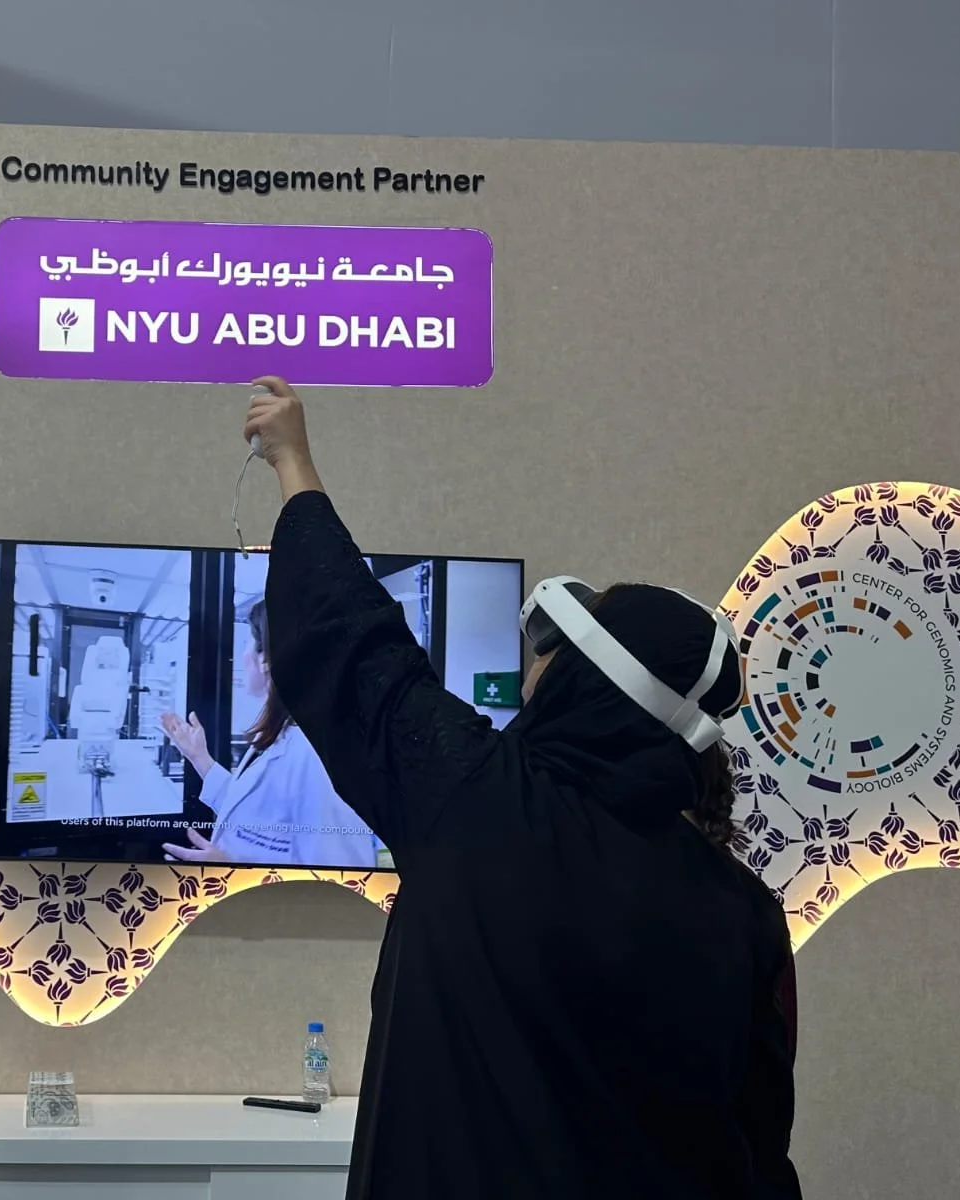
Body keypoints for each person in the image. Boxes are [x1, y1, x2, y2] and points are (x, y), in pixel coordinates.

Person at [243, 376, 801, 1199]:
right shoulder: (744, 911)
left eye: (552, 651)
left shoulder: (479, 799)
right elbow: (759, 1140)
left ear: (585, 682)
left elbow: (349, 641)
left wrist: (293, 462)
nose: (533, 665)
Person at [159, 600, 378, 869]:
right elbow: (252, 811)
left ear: (265, 659)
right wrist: (199, 757)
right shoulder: (283, 735)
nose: (242, 656)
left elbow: (343, 879)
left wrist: (231, 870)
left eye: (246, 643)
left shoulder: (317, 758)